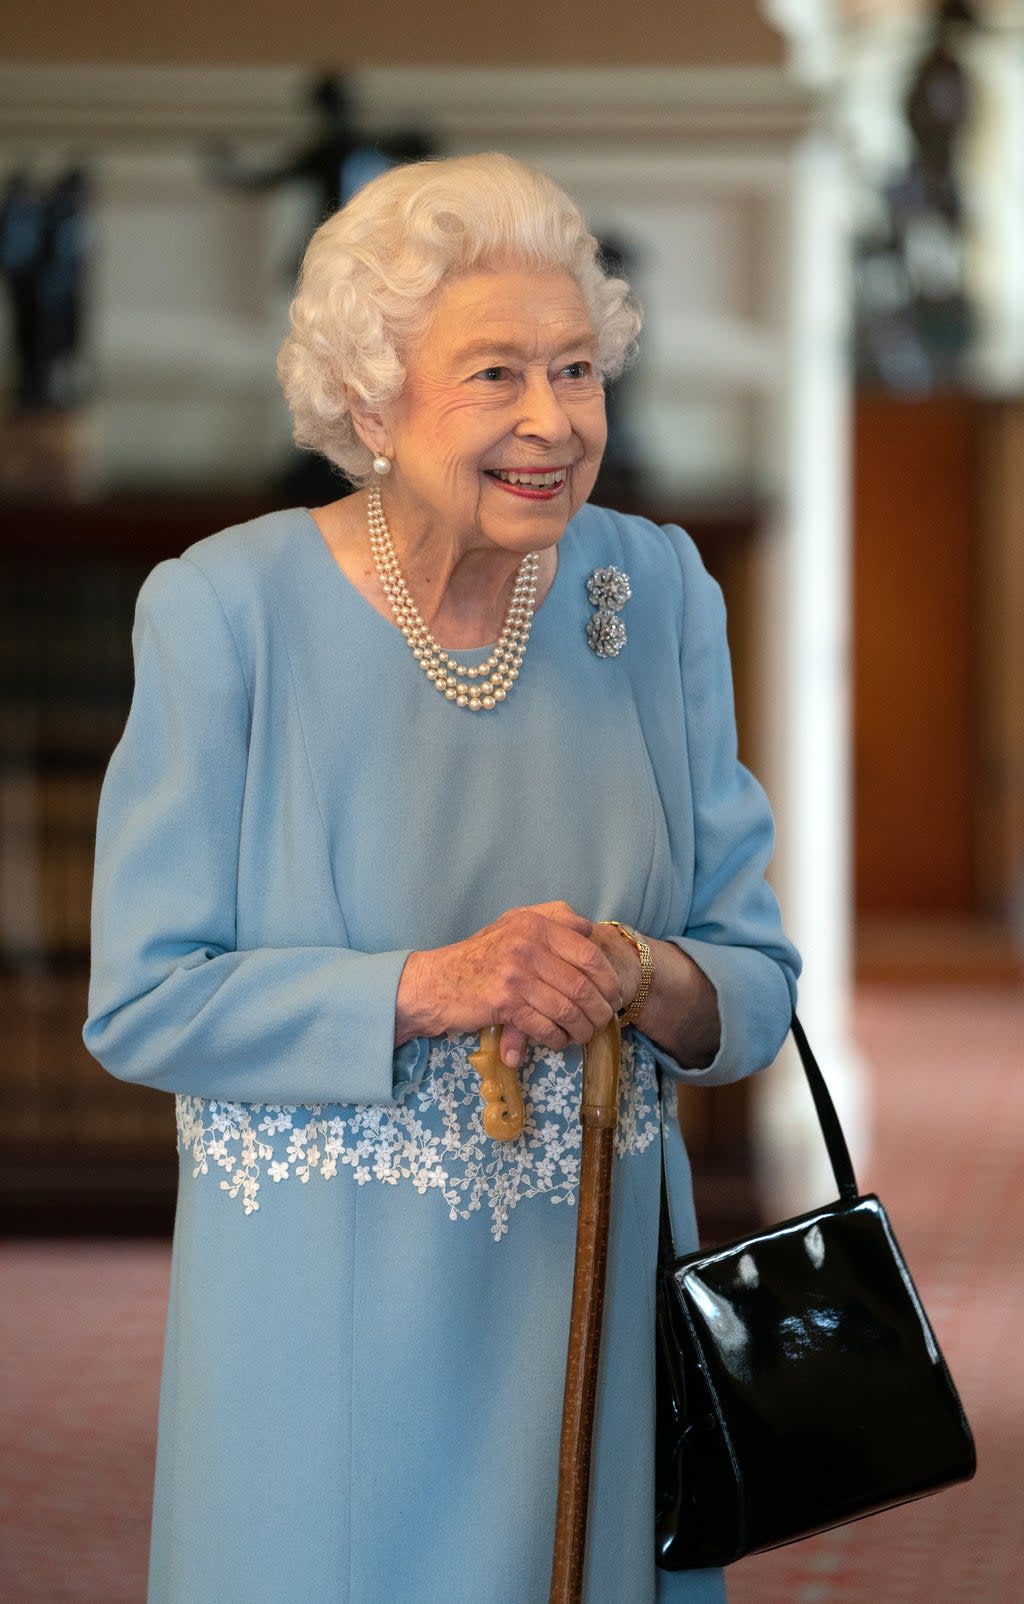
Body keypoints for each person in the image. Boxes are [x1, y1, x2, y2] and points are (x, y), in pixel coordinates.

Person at [84, 152, 799, 1604]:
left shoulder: (652, 594)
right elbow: (143, 1005)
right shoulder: (227, 614)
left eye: (578, 370)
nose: (553, 421)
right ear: (369, 402)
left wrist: (642, 974)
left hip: (592, 1319)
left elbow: (758, 983)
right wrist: (432, 986)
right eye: (496, 376)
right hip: (324, 1330)